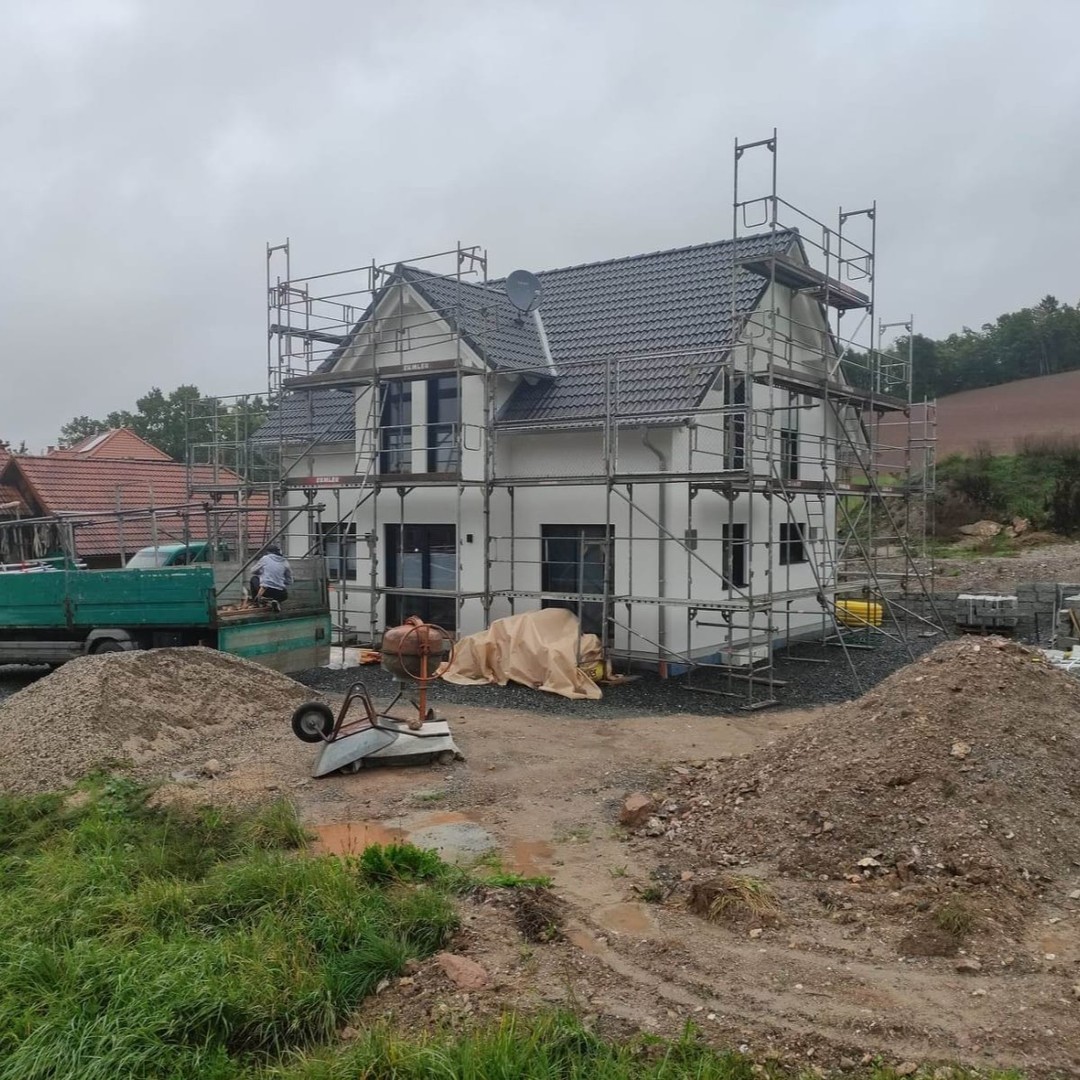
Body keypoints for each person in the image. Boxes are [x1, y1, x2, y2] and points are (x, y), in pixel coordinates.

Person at [249, 544, 293, 611]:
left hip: (266, 590)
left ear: (268, 552)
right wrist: (280, 580)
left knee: (254, 579)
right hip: (281, 593)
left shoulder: (265, 558)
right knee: (283, 594)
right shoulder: (285, 561)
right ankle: (276, 601)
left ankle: (256, 602)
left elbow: (252, 570)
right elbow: (290, 581)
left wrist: (260, 573)